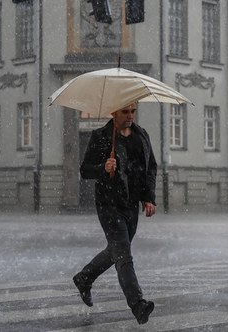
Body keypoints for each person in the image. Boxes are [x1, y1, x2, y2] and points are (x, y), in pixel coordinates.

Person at [73, 102, 157, 325]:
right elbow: (85, 170)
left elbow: (150, 168)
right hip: (109, 206)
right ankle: (138, 304)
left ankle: (84, 278)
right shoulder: (101, 136)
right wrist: (103, 168)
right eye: (125, 112)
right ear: (114, 112)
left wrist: (148, 198)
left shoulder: (142, 136)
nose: (130, 116)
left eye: (133, 111)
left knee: (117, 251)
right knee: (124, 256)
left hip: (131, 206)